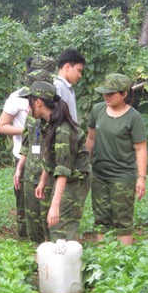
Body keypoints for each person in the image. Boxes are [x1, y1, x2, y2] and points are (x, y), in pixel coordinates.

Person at [18, 81, 91, 242]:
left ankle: (66, 263)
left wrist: (55, 205)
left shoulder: (63, 130)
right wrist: (43, 181)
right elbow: (49, 157)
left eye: (29, 102)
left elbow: (63, 169)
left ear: (38, 102)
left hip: (75, 179)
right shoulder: (46, 123)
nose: (28, 108)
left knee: (60, 226)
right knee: (52, 225)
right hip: (63, 177)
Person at [85, 73, 147, 246]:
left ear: (124, 94)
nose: (106, 96)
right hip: (99, 175)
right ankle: (104, 260)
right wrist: (84, 164)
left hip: (122, 176)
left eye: (111, 93)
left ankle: (122, 263)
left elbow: (140, 148)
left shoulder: (134, 118)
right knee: (101, 219)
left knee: (123, 221)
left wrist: (141, 178)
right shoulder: (98, 110)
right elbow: (90, 139)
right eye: (105, 92)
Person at [0, 56, 55, 238]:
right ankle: (27, 237)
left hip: (48, 159)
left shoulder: (52, 98)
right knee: (25, 201)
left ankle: (48, 239)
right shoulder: (17, 98)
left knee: (47, 199)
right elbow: (2, 126)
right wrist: (27, 131)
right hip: (26, 156)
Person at [53, 49, 86, 123]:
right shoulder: (59, 86)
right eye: (79, 70)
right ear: (67, 67)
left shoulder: (67, 87)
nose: (80, 75)